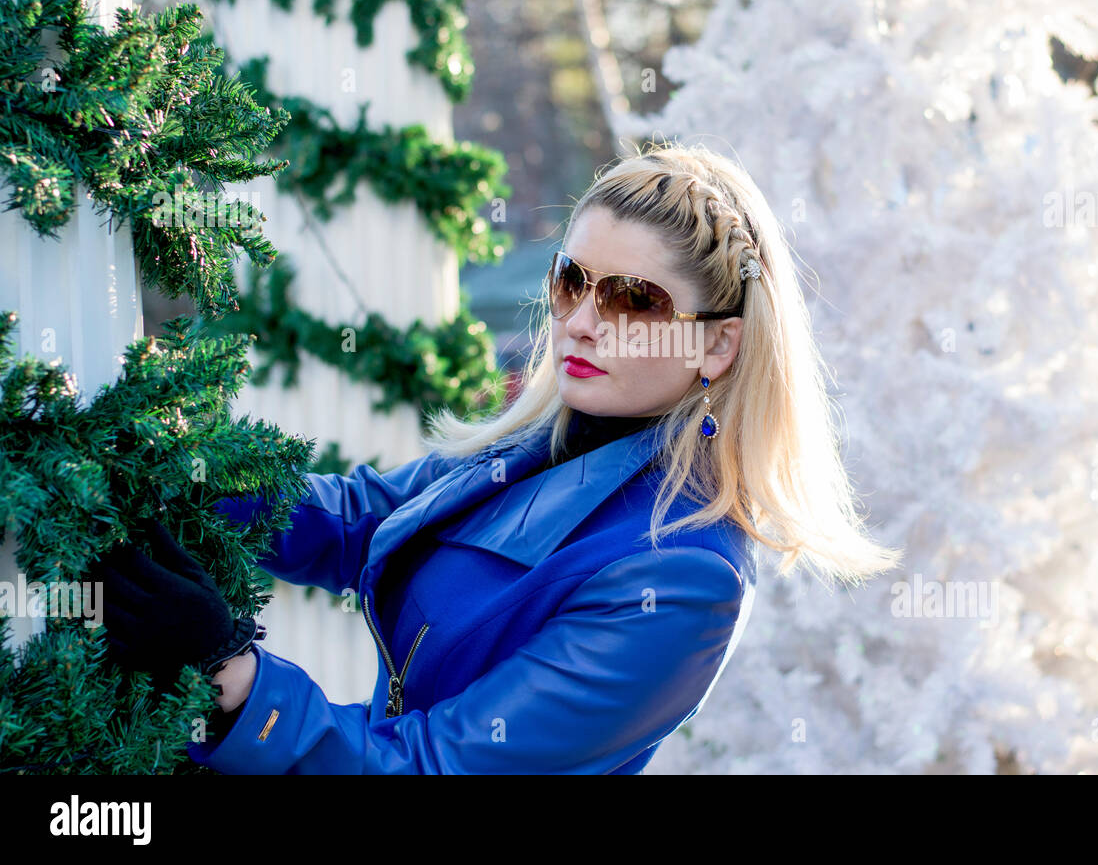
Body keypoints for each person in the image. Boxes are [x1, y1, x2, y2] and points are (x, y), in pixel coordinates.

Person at [89, 141, 903, 774]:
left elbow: (440, 767)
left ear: (718, 344)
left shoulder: (684, 577)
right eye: (572, 280)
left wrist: (229, 676)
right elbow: (355, 522)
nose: (583, 320)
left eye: (633, 299)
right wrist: (178, 473)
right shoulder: (540, 447)